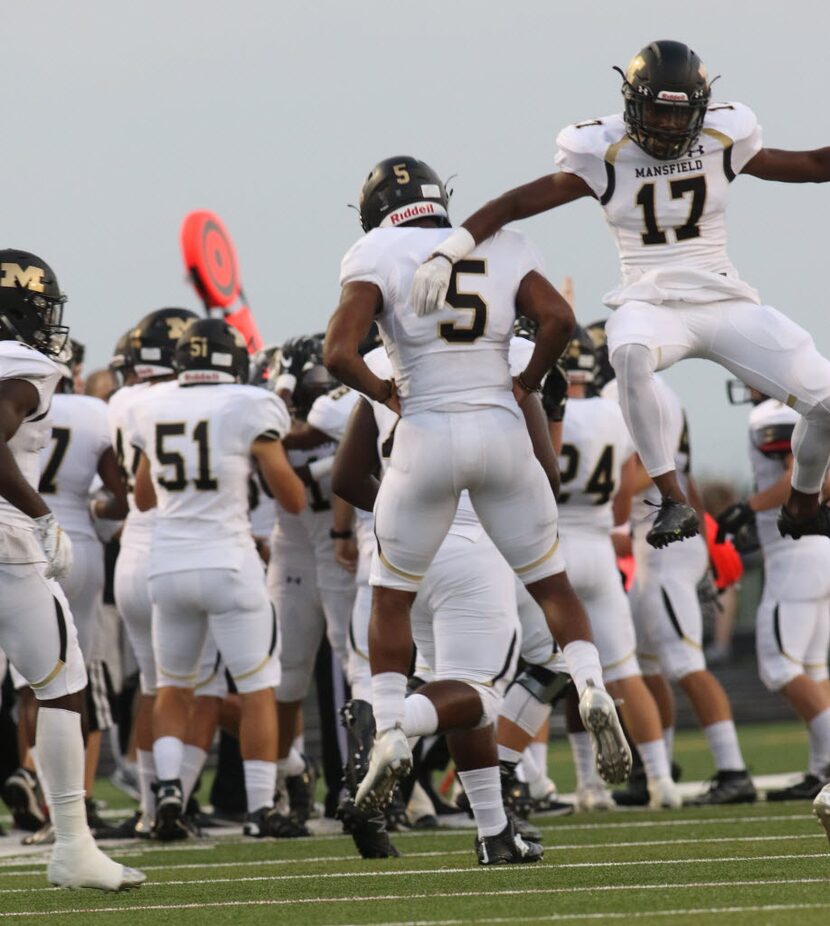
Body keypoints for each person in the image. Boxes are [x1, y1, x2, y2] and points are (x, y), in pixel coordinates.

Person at [409, 38, 830, 549]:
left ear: (700, 109)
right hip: (650, 302)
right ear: (634, 103)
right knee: (628, 351)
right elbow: (517, 201)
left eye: (680, 115)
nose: (670, 127)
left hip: (725, 300)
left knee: (825, 402)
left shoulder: (725, 136)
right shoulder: (603, 152)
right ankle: (673, 498)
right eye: (658, 111)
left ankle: (803, 506)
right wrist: (450, 250)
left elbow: (812, 166)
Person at [324, 155, 631, 817]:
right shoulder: (503, 245)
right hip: (499, 430)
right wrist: (523, 383)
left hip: (426, 438)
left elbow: (337, 353)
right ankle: (590, 685)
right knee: (552, 584)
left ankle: (388, 726)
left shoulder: (373, 251)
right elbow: (558, 322)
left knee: (390, 602)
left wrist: (386, 391)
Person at [129, 318, 307, 839]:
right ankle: (258, 811)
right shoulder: (248, 404)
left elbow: (142, 498)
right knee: (256, 690)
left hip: (167, 566)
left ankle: (166, 791)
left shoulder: (151, 403)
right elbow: (291, 499)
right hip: (229, 563)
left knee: (172, 689)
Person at [0, 248, 144, 890]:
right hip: (7, 543)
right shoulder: (24, 365)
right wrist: (41, 514)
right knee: (62, 682)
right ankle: (73, 845)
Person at [719, 384, 830, 799]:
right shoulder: (808, 409)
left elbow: (799, 478)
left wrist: (751, 507)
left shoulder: (773, 414)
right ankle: (822, 770)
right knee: (814, 668)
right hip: (817, 550)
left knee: (779, 666)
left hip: (796, 557)